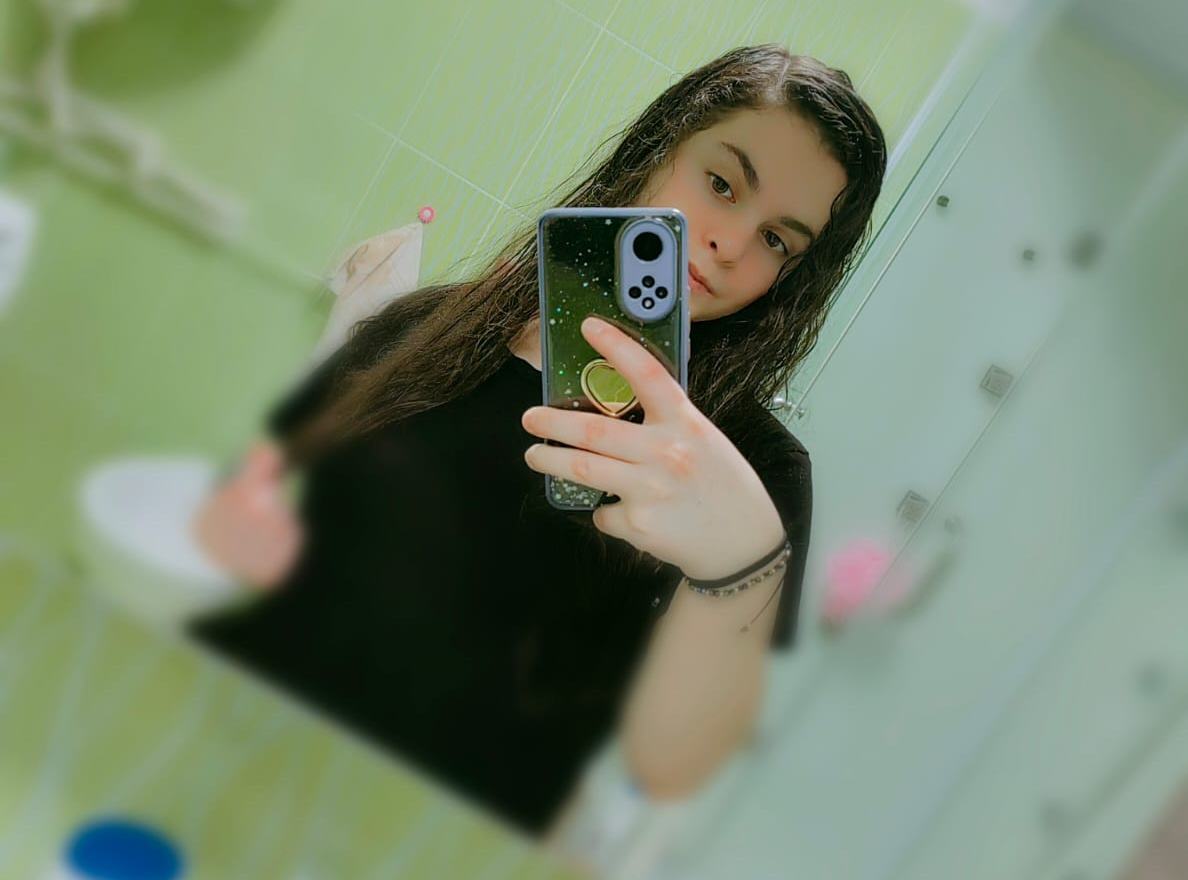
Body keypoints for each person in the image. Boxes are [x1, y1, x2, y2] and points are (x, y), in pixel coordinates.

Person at [188, 44, 887, 839]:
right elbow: (263, 519)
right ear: (658, 149)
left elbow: (670, 763)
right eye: (722, 184)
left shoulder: (752, 474)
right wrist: (238, 528)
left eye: (778, 242)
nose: (731, 241)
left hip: (419, 842)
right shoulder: (426, 327)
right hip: (224, 754)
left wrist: (745, 562)